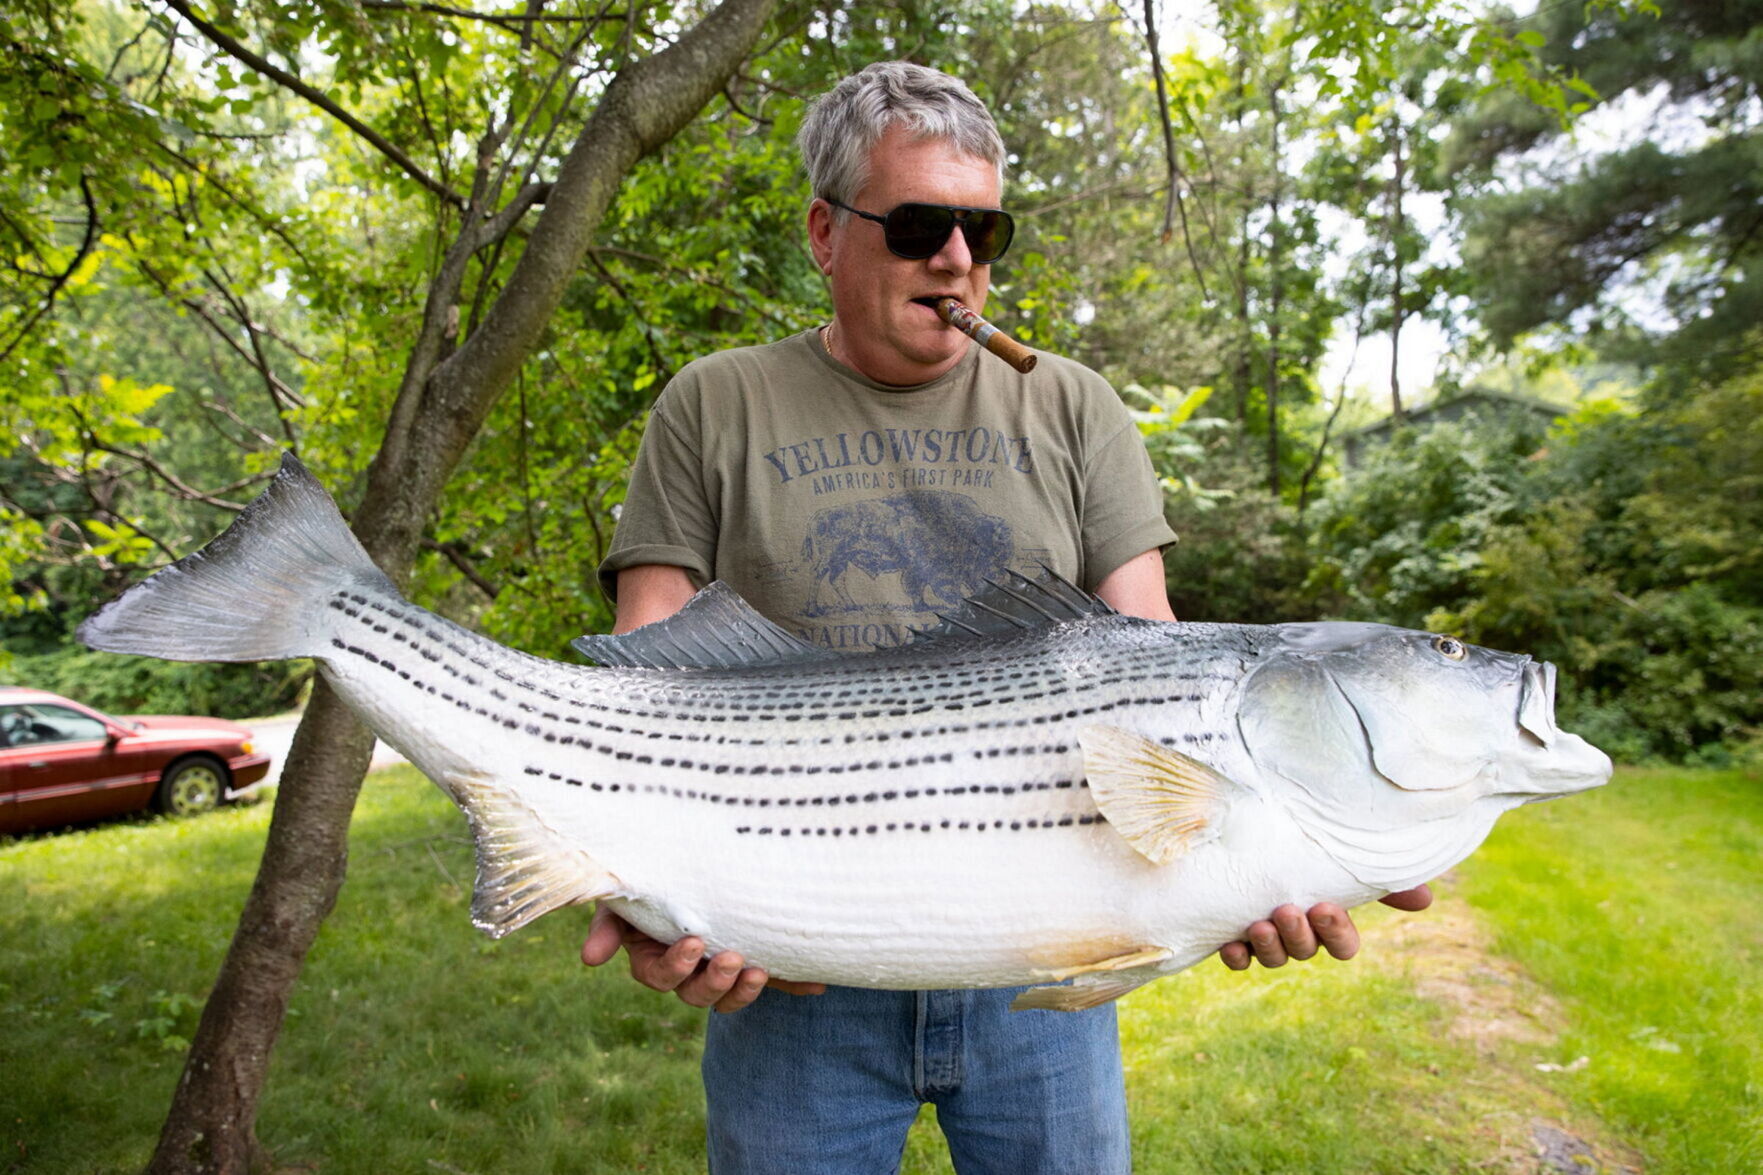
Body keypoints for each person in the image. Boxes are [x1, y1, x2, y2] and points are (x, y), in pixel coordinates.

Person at [583, 61, 1432, 1173]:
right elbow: (640, 678)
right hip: (788, 970)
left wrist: (1269, 858)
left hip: (1046, 976)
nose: (956, 261)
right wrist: (641, 895)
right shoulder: (712, 401)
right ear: (822, 232)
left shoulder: (1073, 404)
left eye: (984, 233)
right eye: (921, 225)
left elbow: (1156, 656)